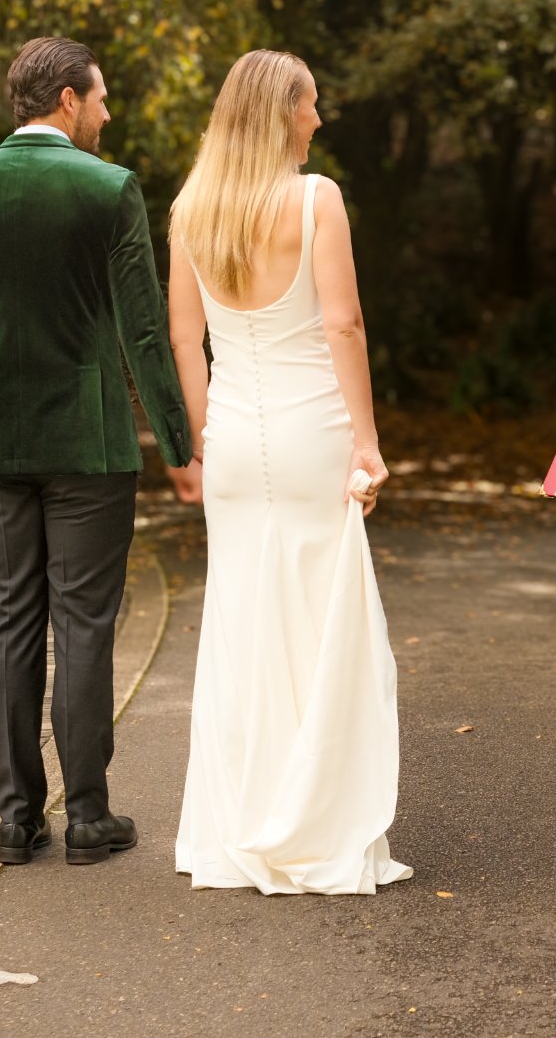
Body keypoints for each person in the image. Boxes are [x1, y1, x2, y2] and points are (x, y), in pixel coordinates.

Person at [0, 37, 191, 868]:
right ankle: (89, 814)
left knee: (9, 622)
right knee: (85, 622)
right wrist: (180, 443)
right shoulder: (109, 191)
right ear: (67, 98)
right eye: (100, 98)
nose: (107, 112)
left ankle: (16, 817)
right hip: (88, 445)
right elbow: (143, 330)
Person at [166, 49, 410, 894]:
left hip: (233, 435)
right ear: (282, 112)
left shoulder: (191, 207)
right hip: (312, 432)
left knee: (242, 623)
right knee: (323, 622)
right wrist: (368, 441)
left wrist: (198, 441)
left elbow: (182, 341)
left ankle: (239, 823)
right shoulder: (316, 199)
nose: (319, 117)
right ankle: (319, 822)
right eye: (311, 103)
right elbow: (342, 324)